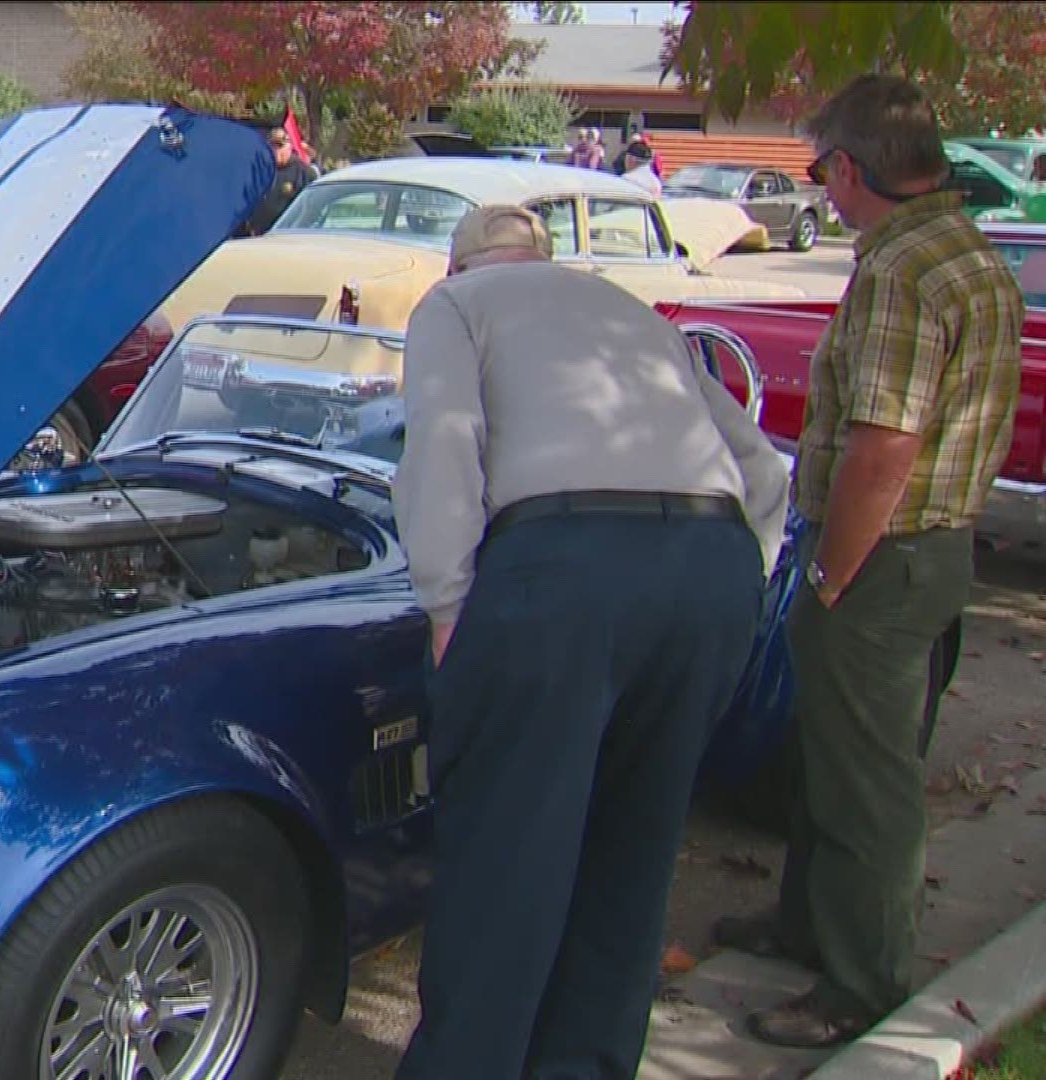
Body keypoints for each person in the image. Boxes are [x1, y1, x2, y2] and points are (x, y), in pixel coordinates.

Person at [390, 204, 789, 1080]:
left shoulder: (455, 308)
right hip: (711, 566)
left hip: (561, 574)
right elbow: (760, 465)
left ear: (458, 267)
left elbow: (445, 451)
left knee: (508, 861)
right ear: (544, 258)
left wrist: (447, 608)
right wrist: (741, 578)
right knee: (635, 853)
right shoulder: (631, 313)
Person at [714, 73, 1024, 1050]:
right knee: (831, 756)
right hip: (927, 547)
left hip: (881, 557)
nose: (825, 192)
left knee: (867, 784)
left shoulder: (900, 270)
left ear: (848, 169)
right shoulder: (961, 247)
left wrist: (830, 574)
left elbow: (884, 445)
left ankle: (859, 982)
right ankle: (810, 925)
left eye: (821, 174)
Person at [237, 126, 313, 237]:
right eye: (272, 146)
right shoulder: (260, 170)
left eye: (280, 146)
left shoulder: (304, 172)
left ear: (290, 146)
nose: (275, 150)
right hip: (258, 235)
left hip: (288, 235)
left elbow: (310, 209)